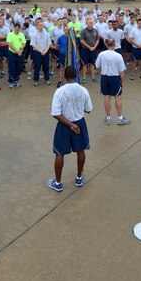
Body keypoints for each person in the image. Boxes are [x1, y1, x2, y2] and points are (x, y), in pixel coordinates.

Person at [48, 65, 93, 193]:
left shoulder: (59, 91)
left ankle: (58, 183)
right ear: (76, 75)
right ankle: (79, 178)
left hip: (64, 124)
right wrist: (74, 122)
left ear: (64, 76)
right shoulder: (83, 90)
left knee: (59, 153)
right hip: (79, 123)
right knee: (80, 151)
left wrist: (69, 124)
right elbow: (89, 109)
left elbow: (55, 113)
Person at [95, 38, 130, 126]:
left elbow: (97, 66)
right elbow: (122, 72)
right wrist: (122, 81)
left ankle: (108, 118)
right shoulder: (118, 56)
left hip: (104, 78)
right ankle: (120, 118)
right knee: (117, 97)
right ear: (114, 45)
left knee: (106, 97)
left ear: (106, 45)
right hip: (115, 78)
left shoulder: (101, 54)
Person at [6, 23, 27, 88]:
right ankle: (11, 81)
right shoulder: (10, 34)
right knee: (12, 67)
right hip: (12, 53)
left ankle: (17, 80)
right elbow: (9, 43)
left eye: (18, 29)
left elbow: (24, 44)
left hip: (20, 53)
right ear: (14, 28)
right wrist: (16, 50)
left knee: (19, 67)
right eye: (16, 29)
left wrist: (19, 49)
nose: (17, 31)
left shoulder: (21, 34)